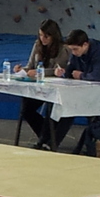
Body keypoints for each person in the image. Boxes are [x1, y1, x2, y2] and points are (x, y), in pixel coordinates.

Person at [46, 29, 100, 150]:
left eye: (75, 49)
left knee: (68, 108)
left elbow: (98, 77)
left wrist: (81, 75)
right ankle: (47, 140)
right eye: (71, 50)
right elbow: (70, 71)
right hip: (84, 92)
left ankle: (52, 143)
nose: (74, 52)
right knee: (59, 105)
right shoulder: (76, 55)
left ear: (85, 45)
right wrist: (62, 73)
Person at [14, 19, 70, 148]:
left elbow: (58, 71)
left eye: (46, 36)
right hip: (38, 85)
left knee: (51, 109)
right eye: (40, 35)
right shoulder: (37, 45)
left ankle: (45, 139)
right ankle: (46, 136)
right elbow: (30, 66)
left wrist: (40, 72)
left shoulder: (63, 49)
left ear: (53, 36)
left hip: (54, 87)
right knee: (26, 109)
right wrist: (22, 70)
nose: (42, 39)